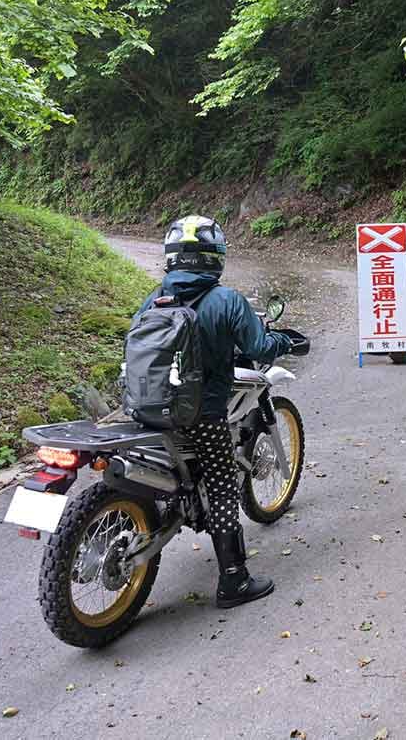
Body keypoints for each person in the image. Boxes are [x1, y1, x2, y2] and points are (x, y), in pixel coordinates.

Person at [133, 215, 292, 608]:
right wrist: (281, 340)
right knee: (222, 484)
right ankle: (233, 580)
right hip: (201, 414)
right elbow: (257, 349)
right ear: (214, 257)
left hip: (147, 410)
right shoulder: (226, 300)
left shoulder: (155, 298)